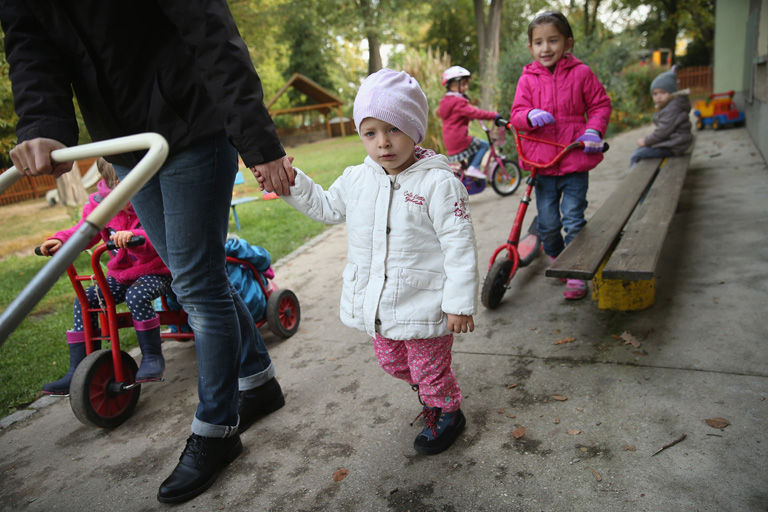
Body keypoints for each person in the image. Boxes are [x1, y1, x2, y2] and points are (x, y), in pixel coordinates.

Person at [1, 1, 295, 504]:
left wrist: (257, 139)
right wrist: (41, 121)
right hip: (126, 143)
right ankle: (259, 381)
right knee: (194, 279)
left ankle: (216, 431)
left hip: (192, 124)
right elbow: (30, 43)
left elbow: (210, 28)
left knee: (198, 284)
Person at [256, 69, 477, 455]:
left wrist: (458, 304)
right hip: (380, 302)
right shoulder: (357, 179)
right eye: (370, 133)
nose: (383, 143)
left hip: (426, 303)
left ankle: (446, 409)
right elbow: (325, 206)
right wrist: (291, 181)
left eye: (394, 129)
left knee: (429, 368)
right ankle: (431, 388)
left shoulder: (439, 184)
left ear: (415, 129)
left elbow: (460, 244)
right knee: (391, 362)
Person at [39, 158, 172, 393]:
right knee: (86, 300)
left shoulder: (154, 198)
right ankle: (80, 369)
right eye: (120, 193)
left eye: (132, 191)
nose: (126, 202)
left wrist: (135, 237)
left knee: (137, 296)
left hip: (159, 269)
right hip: (123, 274)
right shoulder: (99, 206)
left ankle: (152, 356)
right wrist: (61, 240)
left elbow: (164, 234)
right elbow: (83, 231)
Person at [509, 11, 612, 300]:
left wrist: (593, 131)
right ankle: (556, 255)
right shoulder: (527, 80)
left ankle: (576, 271)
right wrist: (529, 115)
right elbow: (516, 114)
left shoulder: (582, 73)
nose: (546, 48)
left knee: (573, 220)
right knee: (548, 224)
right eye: (539, 42)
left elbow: (600, 105)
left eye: (552, 40)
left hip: (574, 160)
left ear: (568, 43)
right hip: (542, 165)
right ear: (531, 48)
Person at [438, 66, 502, 180]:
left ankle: (470, 171)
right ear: (452, 85)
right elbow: (475, 113)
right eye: (462, 84)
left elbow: (456, 116)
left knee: (473, 148)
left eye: (466, 84)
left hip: (450, 141)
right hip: (459, 140)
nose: (466, 87)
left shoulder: (446, 101)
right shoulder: (458, 102)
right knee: (484, 145)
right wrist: (493, 116)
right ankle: (474, 167)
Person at [630, 65, 693, 169]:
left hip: (675, 145)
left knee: (637, 155)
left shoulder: (673, 108)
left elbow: (662, 132)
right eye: (655, 94)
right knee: (642, 151)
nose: (658, 96)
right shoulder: (672, 105)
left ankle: (637, 182)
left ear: (672, 92)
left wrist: (646, 141)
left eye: (663, 92)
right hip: (677, 143)